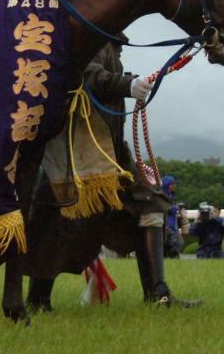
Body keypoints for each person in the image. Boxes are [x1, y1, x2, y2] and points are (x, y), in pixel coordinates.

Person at [27, 39, 184, 310]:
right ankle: (38, 299)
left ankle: (158, 294)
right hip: (76, 152)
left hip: (112, 152)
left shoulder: (109, 40)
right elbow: (86, 74)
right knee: (55, 223)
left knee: (150, 202)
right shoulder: (89, 33)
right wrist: (127, 85)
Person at [163, 176, 185, 258]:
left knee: (173, 244)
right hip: (167, 226)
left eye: (174, 184)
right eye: (172, 184)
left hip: (173, 226)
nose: (174, 186)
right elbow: (165, 208)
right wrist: (176, 208)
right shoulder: (163, 197)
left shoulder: (171, 197)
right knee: (178, 242)